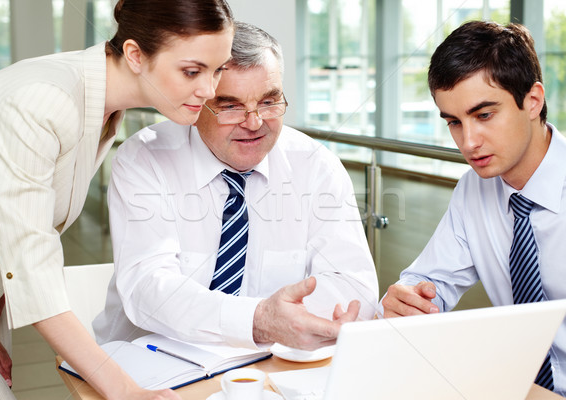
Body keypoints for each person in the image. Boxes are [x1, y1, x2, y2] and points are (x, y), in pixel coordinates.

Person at [0, 0, 234, 398]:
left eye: (218, 70)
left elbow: (21, 220)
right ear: (135, 54)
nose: (209, 90)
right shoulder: (46, 101)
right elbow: (32, 260)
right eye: (192, 71)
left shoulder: (103, 105)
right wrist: (127, 391)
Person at [93, 22, 378, 351]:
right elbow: (148, 288)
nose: (254, 123)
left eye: (270, 102)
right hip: (150, 360)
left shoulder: (315, 165)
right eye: (230, 106)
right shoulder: (145, 159)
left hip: (271, 362)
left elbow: (354, 284)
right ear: (197, 103)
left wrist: (281, 325)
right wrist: (256, 320)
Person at [379, 21, 566, 396]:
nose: (468, 141)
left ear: (533, 101)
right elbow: (432, 282)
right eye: (453, 122)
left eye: (483, 115)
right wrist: (406, 299)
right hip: (521, 387)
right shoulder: (473, 190)